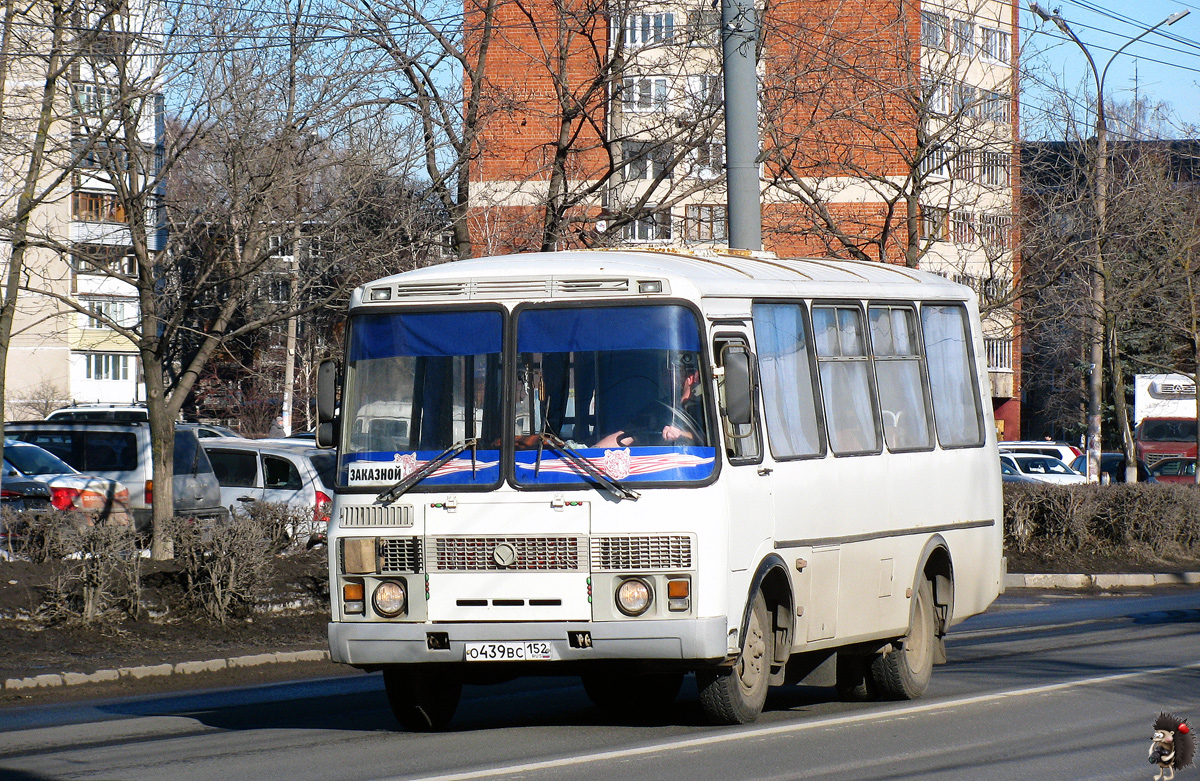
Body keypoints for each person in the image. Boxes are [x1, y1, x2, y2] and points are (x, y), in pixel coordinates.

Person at [593, 364, 705, 448]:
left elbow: (708, 438)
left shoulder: (703, 408)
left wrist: (680, 434)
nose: (666, 379)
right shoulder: (658, 409)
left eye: (672, 373)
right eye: (664, 374)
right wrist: (594, 451)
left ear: (691, 378)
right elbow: (626, 434)